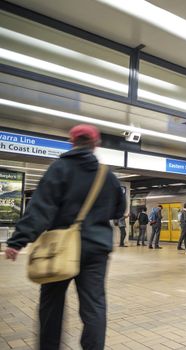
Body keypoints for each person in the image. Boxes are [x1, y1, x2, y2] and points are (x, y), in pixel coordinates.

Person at [5, 124, 125, 350]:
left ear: (71, 142)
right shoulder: (107, 175)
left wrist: (17, 241)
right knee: (94, 306)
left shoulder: (58, 169)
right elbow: (119, 210)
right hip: (96, 249)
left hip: (59, 248)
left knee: (51, 304)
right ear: (95, 145)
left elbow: (41, 209)